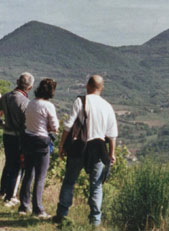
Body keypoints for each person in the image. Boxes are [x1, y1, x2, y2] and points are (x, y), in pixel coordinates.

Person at [54, 75, 118, 226]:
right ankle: (95, 221)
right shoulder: (107, 106)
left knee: (69, 182)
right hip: (99, 148)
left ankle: (62, 216)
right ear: (101, 88)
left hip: (79, 148)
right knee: (96, 186)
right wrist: (111, 154)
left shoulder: (81, 101)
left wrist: (62, 145)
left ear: (88, 86)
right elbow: (112, 134)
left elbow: (68, 125)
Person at [0, 72, 34, 207]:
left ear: (17, 81)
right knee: (18, 166)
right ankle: (11, 196)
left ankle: (3, 191)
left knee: (9, 163)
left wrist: (0, 124)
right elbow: (27, 122)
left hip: (7, 134)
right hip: (19, 136)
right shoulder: (25, 102)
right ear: (30, 87)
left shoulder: (7, 96)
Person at [18, 78, 59, 218]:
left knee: (28, 173)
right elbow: (55, 127)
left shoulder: (31, 103)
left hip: (28, 138)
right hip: (41, 141)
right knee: (40, 177)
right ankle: (38, 209)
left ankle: (23, 205)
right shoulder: (48, 106)